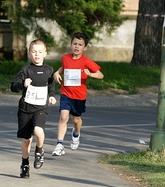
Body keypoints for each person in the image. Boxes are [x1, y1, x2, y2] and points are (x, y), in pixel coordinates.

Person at [52, 32, 104, 156]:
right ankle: (59, 144)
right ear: (71, 45)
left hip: (79, 96)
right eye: (75, 44)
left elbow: (101, 75)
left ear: (85, 48)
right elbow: (63, 68)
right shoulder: (65, 58)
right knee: (64, 117)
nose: (77, 46)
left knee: (76, 120)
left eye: (80, 45)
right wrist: (56, 73)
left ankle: (76, 134)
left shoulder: (87, 62)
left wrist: (90, 74)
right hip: (66, 93)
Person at [10, 39, 56, 178]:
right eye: (34, 52)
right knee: (26, 140)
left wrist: (52, 96)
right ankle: (25, 164)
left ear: (45, 53)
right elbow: (13, 86)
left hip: (40, 108)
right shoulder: (26, 70)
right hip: (25, 109)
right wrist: (23, 84)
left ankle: (39, 151)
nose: (37, 55)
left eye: (40, 52)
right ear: (30, 53)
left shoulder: (48, 70)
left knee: (38, 130)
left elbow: (51, 85)